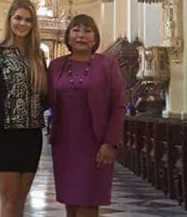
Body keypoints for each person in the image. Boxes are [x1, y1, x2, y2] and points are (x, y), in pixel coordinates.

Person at [47, 14, 127, 217]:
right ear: (68, 35)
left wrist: (110, 142)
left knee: (89, 203)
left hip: (96, 143)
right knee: (71, 202)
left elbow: (119, 106)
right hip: (65, 143)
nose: (81, 35)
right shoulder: (56, 66)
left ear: (95, 37)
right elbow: (43, 99)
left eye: (87, 31)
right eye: (75, 30)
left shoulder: (107, 65)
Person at [0, 0, 48, 217]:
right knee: (8, 198)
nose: (22, 23)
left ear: (33, 24)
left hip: (32, 136)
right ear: (9, 20)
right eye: (18, 18)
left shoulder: (38, 57)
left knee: (20, 199)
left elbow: (44, 97)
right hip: (3, 135)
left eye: (28, 20)